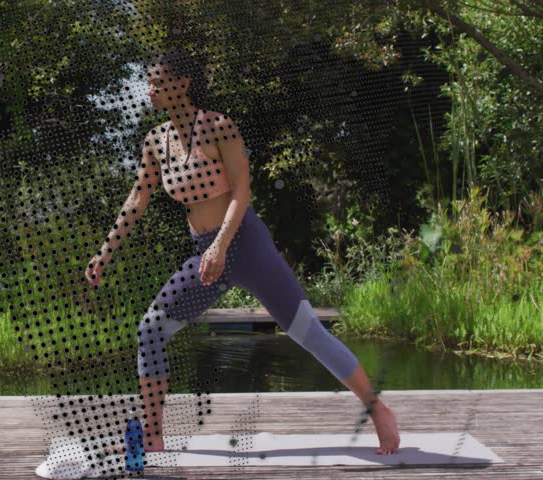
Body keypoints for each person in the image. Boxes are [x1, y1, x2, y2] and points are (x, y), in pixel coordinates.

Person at [84, 48, 400, 458]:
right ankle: (154, 435)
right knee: (151, 331)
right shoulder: (155, 142)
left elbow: (242, 192)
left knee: (307, 333)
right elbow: (137, 198)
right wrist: (105, 252)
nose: (150, 90)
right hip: (204, 253)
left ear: (183, 83)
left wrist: (221, 244)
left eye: (158, 83)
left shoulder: (219, 128)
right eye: (149, 83)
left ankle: (379, 411)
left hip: (246, 244)